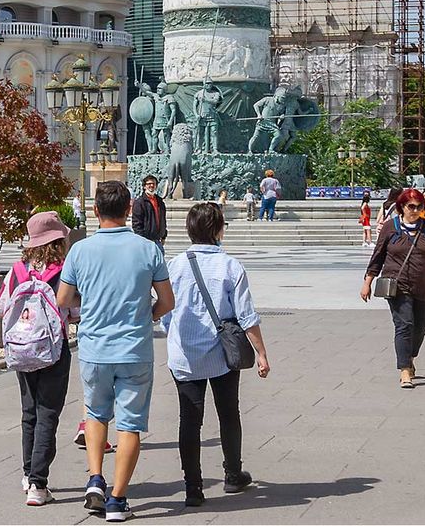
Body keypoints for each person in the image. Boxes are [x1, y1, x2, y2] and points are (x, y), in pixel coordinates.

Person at [56, 181, 174, 523]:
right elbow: (167, 301)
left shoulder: (80, 250)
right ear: (128, 210)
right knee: (130, 425)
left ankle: (95, 478)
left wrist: (89, 306)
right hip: (135, 348)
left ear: (95, 211)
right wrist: (147, 315)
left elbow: (64, 299)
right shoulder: (149, 249)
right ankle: (118, 500)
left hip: (95, 347)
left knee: (95, 414)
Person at [162, 203, 271, 506]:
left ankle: (193, 486)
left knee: (189, 419)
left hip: (184, 354)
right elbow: (246, 316)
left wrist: (174, 333)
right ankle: (233, 474)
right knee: (228, 413)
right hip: (223, 356)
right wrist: (261, 353)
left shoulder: (176, 264)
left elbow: (165, 309)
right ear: (219, 229)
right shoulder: (230, 266)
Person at [0, 211, 74, 507]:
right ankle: (38, 484)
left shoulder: (17, 270)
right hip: (54, 350)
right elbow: (75, 311)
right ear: (58, 240)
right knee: (48, 414)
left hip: (22, 348)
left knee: (29, 412)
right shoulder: (65, 271)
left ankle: (29, 473)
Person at [362, 190, 425, 387]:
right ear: (402, 207)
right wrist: (368, 282)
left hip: (424, 285)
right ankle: (405, 370)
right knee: (404, 324)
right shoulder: (390, 227)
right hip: (397, 286)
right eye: (411, 206)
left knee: (420, 327)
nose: (415, 210)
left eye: (419, 207)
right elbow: (378, 256)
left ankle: (410, 356)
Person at [130, 175, 168, 251]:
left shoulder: (160, 201)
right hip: (146, 241)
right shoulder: (140, 202)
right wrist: (142, 240)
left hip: (158, 241)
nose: (152, 185)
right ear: (144, 186)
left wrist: (164, 236)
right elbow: (136, 223)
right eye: (149, 184)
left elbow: (163, 220)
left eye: (154, 184)